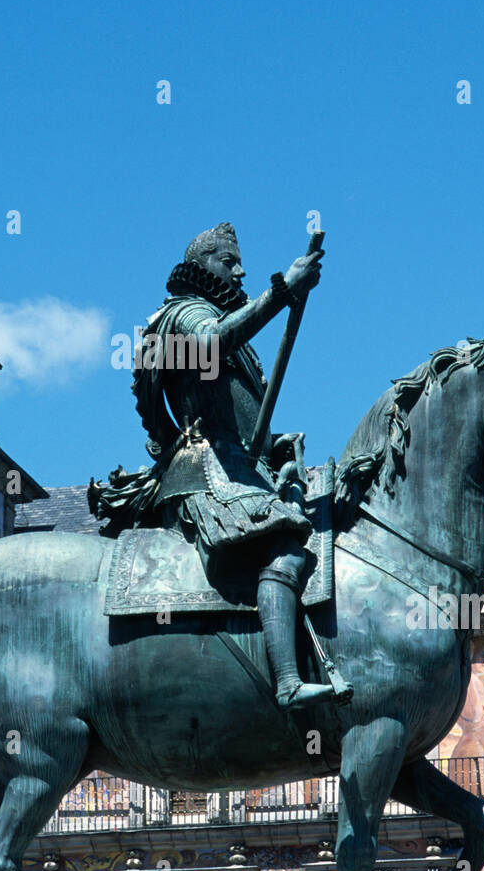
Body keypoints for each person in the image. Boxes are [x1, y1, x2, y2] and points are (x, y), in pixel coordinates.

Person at [93, 222, 337, 711]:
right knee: (285, 548)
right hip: (205, 470)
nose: (241, 269)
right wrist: (283, 289)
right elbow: (211, 344)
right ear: (202, 265)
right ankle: (286, 681)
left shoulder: (227, 326)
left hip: (240, 465)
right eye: (229, 261)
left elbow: (242, 415)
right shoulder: (184, 315)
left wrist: (273, 445)